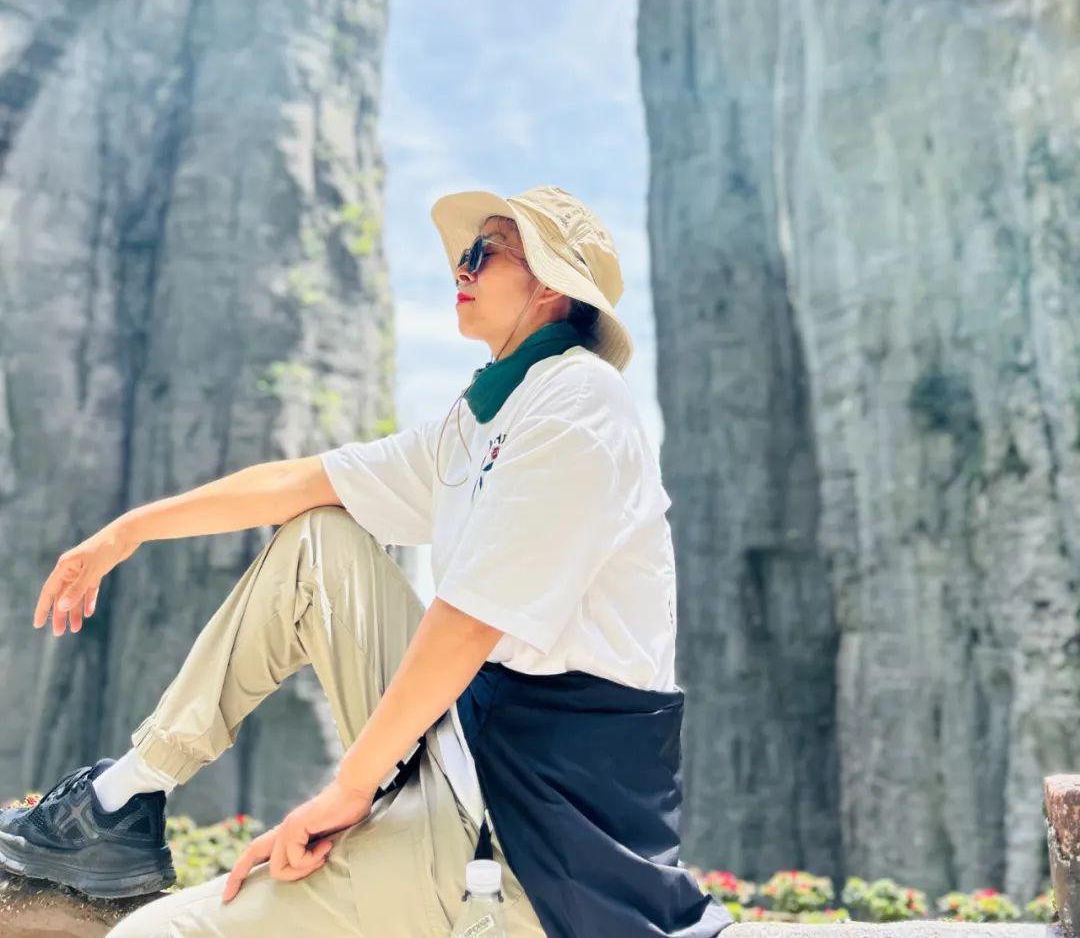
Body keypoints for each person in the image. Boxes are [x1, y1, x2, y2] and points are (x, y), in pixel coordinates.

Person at [0, 184, 733, 937]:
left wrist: (350, 790)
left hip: (529, 850)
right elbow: (303, 482)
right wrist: (128, 531)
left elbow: (469, 623)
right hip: (462, 766)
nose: (461, 267)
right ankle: (122, 801)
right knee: (321, 541)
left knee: (148, 935)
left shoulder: (580, 404)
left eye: (485, 252)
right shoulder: (481, 419)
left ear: (549, 284)